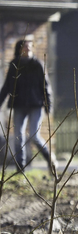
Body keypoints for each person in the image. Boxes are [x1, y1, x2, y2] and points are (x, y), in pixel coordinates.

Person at [0, 38, 57, 174]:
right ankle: (21, 168)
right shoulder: (15, 65)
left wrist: (49, 105)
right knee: (18, 136)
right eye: (25, 46)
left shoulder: (38, 64)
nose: (28, 48)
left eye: (30, 46)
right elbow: (7, 86)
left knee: (33, 135)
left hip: (35, 104)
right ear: (20, 49)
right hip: (19, 104)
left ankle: (50, 159)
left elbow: (46, 86)